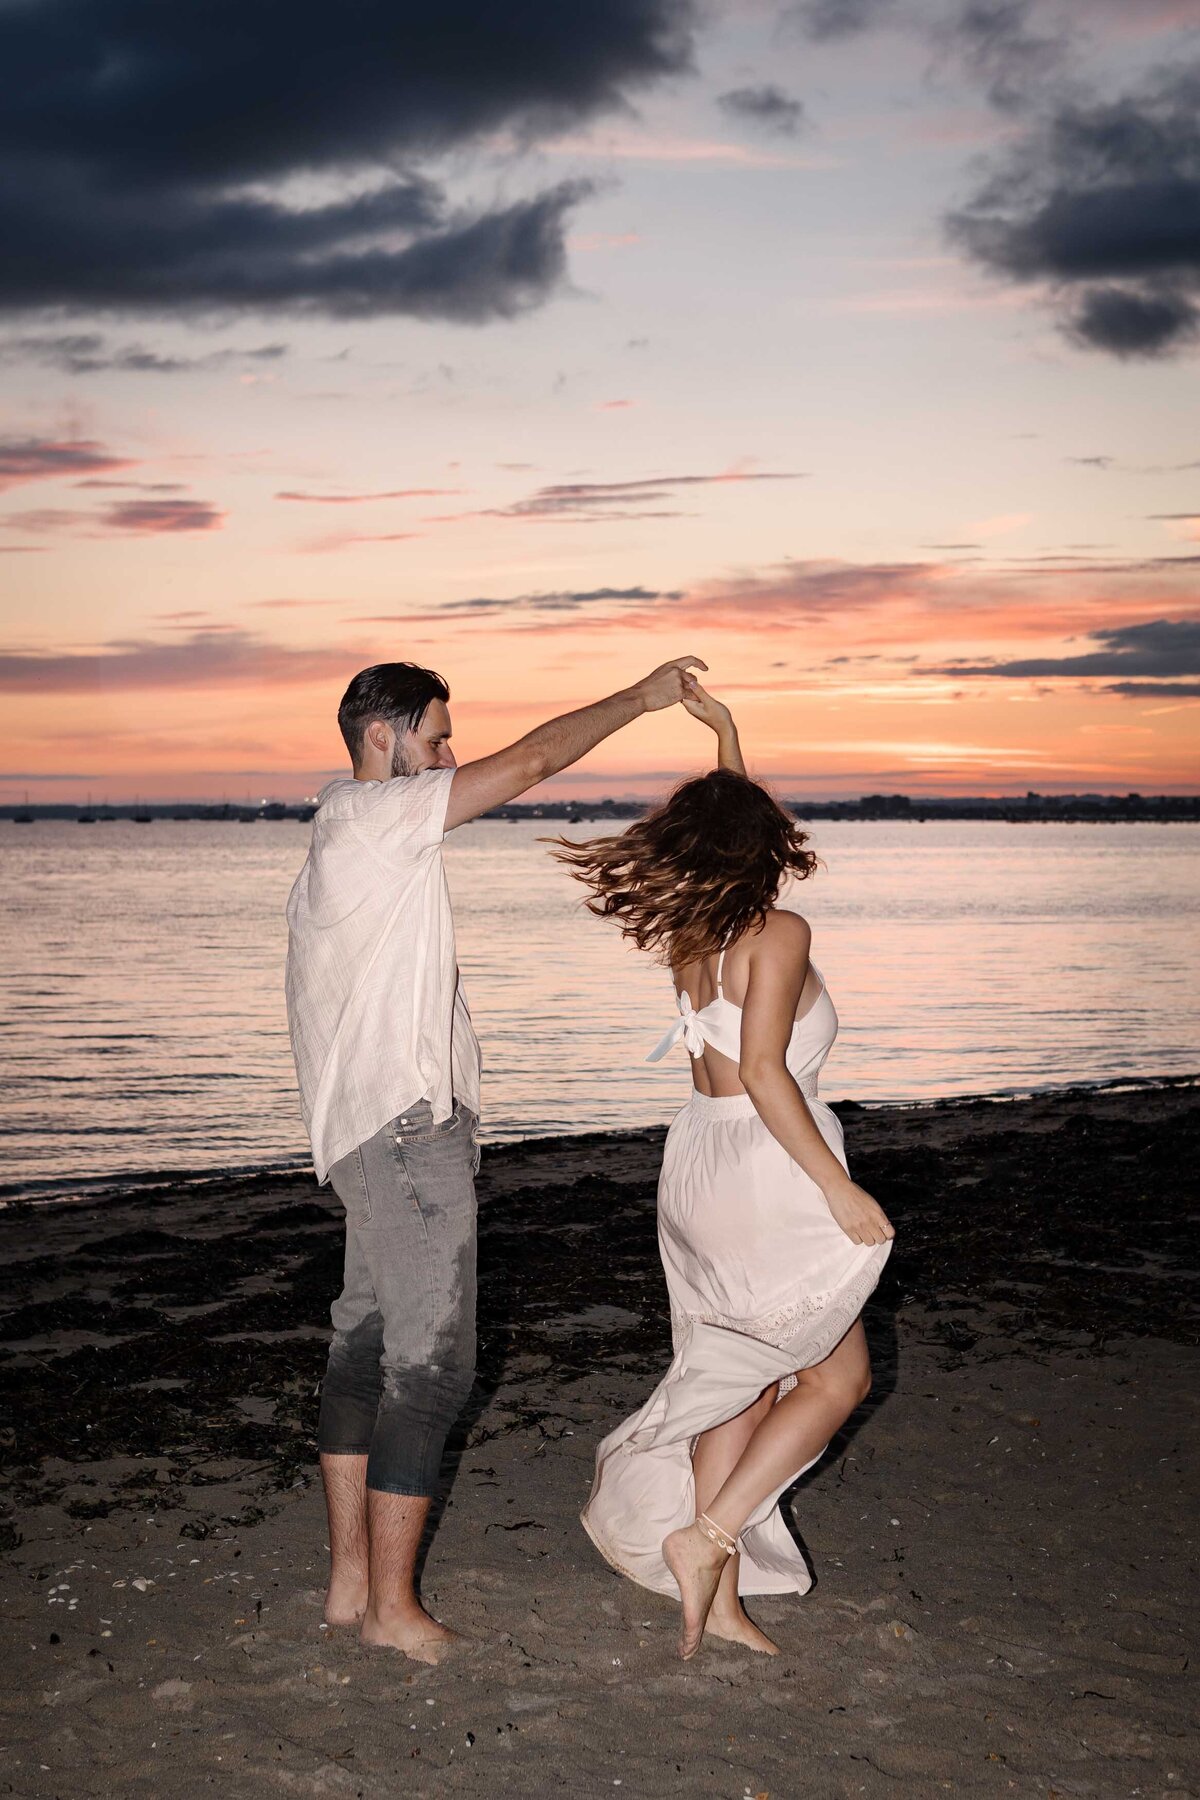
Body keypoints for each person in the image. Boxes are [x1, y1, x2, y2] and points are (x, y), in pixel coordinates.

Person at [285, 653, 705, 1662]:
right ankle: (389, 1609)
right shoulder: (378, 819)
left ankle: (352, 1587)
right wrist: (638, 698)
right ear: (382, 736)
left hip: (365, 1134)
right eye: (435, 734)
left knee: (365, 1347)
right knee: (431, 1373)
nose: (449, 753)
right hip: (403, 1133)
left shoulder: (343, 829)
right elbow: (529, 764)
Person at [552, 684, 894, 1659]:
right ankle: (706, 1537)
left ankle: (720, 1601)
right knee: (838, 1377)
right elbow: (762, 1069)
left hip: (698, 1164)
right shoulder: (778, 935)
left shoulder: (694, 936)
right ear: (765, 842)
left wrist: (727, 741)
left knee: (733, 1382)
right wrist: (838, 1184)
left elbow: (736, 1062)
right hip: (765, 1166)